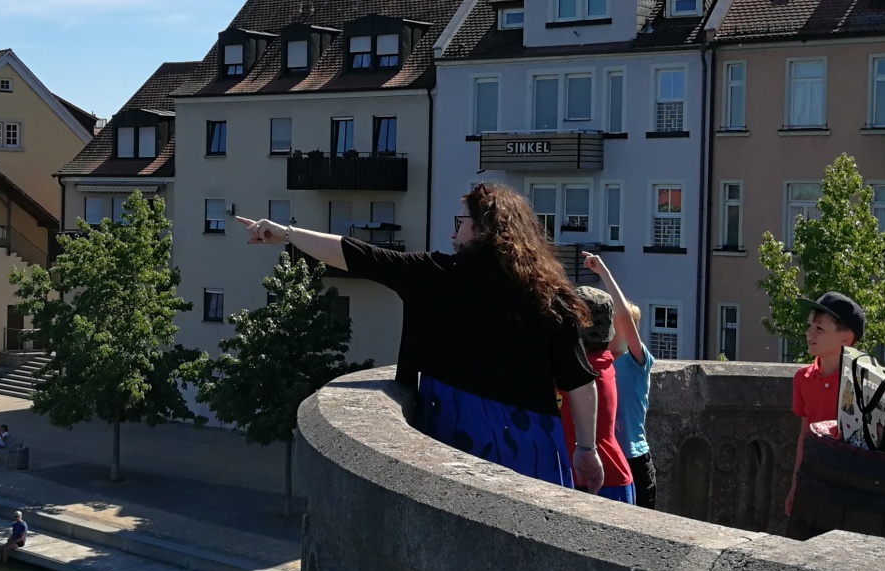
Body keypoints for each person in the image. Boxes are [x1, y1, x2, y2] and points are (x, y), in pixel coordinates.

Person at [236, 183, 602, 491]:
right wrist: (586, 448)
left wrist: (286, 233)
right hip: (532, 440)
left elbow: (357, 254)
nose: (453, 233)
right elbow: (579, 382)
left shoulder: (436, 275)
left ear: (482, 230)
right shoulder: (551, 294)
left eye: (460, 223)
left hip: (458, 430)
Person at [568, 252, 655, 506]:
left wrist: (604, 273)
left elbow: (625, 316)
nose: (614, 327)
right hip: (604, 460)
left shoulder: (636, 362)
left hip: (633, 457)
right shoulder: (594, 360)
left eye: (618, 323)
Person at [786, 291, 865, 517]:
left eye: (819, 328)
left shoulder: (863, 379)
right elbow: (804, 433)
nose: (809, 332)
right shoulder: (803, 377)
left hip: (850, 482)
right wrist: (795, 485)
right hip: (814, 475)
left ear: (845, 337)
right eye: (810, 325)